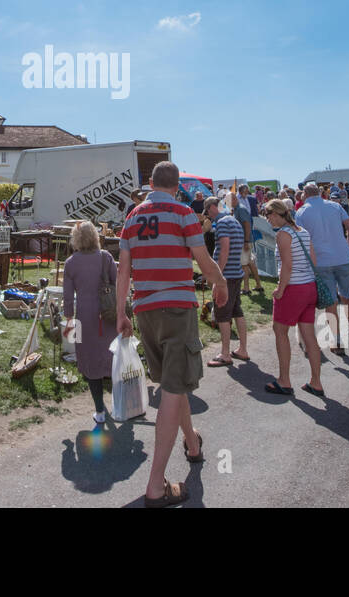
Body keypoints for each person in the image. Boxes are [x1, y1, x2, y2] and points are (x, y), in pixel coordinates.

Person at [116, 161, 226, 508]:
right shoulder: (183, 212)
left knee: (172, 386)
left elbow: (123, 271)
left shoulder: (132, 216)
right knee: (175, 389)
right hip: (177, 308)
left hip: (146, 310)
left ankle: (192, 444)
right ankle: (155, 487)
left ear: (150, 183)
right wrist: (220, 283)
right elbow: (202, 259)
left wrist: (122, 312)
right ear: (177, 186)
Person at [262, 198, 323, 397]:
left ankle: (284, 380)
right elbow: (313, 259)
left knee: (280, 331)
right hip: (309, 286)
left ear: (275, 214)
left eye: (268, 215)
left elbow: (287, 265)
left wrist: (280, 289)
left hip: (293, 288)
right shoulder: (302, 231)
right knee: (309, 336)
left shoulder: (283, 234)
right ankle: (316, 381)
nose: (267, 220)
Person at [62, 221, 119, 427]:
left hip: (84, 317)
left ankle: (99, 410)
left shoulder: (71, 263)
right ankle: (118, 404)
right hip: (109, 315)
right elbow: (117, 285)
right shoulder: (106, 257)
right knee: (111, 357)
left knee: (90, 361)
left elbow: (68, 297)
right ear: (95, 236)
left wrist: (68, 319)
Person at [296, 183, 349, 353]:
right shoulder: (335, 206)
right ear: (319, 193)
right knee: (348, 298)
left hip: (321, 261)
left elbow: (301, 238)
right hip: (342, 257)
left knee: (330, 301)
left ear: (305, 194)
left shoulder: (302, 212)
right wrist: (347, 245)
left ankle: (337, 340)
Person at [203, 197, 250, 366]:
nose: (208, 214)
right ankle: (242, 349)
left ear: (213, 207)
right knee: (237, 311)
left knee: (222, 314)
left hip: (227, 276)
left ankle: (225, 354)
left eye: (207, 210)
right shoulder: (233, 220)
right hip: (235, 273)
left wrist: (218, 278)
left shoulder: (222, 223)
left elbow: (224, 249)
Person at [231, 186, 263, 296]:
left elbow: (247, 225)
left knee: (244, 264)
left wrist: (245, 241)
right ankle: (258, 285)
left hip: (245, 240)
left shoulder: (240, 209)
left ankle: (246, 288)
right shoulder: (238, 208)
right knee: (250, 262)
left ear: (234, 200)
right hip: (246, 240)